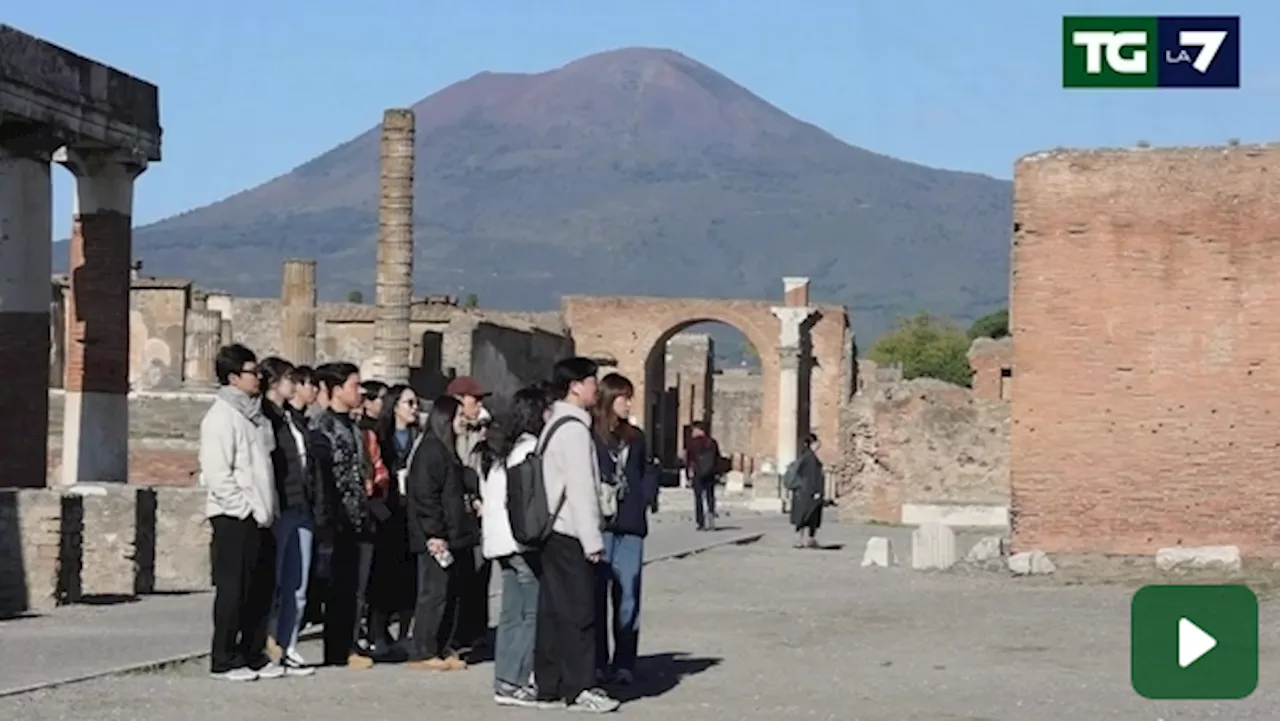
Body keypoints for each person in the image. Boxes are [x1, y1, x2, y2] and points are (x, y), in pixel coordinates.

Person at [534, 357, 620, 712]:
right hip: (570, 531)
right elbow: (582, 489)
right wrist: (593, 541)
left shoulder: (553, 424)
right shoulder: (572, 430)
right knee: (581, 611)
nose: (595, 389)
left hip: (552, 531)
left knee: (553, 610)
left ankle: (549, 685)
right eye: (591, 381)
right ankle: (581, 685)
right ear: (575, 386)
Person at [201, 343, 283, 681]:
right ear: (234, 377)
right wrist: (242, 509)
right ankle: (223, 656)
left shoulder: (255, 416)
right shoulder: (221, 417)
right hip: (235, 516)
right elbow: (218, 471)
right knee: (234, 589)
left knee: (260, 587)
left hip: (262, 514)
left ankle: (253, 652)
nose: (259, 378)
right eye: (253, 372)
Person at [482, 385, 553, 706]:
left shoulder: (503, 451)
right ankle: (517, 681)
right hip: (521, 541)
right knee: (528, 614)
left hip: (499, 542)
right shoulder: (531, 451)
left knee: (511, 615)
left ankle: (504, 679)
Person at [591, 373, 660, 687]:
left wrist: (645, 495)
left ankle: (624, 662)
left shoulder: (636, 437)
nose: (629, 403)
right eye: (624, 397)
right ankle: (597, 661)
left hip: (631, 525)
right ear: (609, 399)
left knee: (628, 595)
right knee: (596, 596)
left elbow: (648, 468)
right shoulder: (591, 436)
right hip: (601, 525)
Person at [405, 394, 480, 672]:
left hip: (454, 531)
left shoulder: (447, 450)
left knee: (450, 592)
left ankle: (440, 644)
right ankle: (423, 649)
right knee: (433, 593)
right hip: (435, 536)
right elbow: (426, 496)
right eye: (459, 416)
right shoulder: (430, 450)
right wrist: (434, 532)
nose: (463, 421)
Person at [310, 362, 377, 669]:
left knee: (355, 586)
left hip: (358, 514)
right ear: (336, 390)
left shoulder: (353, 426)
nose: (360, 391)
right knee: (338, 585)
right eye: (354, 385)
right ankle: (338, 648)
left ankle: (349, 644)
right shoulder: (323, 426)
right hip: (337, 517)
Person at [259, 357, 322, 676]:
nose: (293, 384)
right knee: (275, 582)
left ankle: (289, 644)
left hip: (302, 505)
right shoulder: (265, 415)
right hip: (281, 505)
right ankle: (268, 646)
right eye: (288, 379)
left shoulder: (291, 419)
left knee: (297, 583)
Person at [367, 384, 421, 657]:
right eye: (409, 403)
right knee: (384, 576)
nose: (414, 408)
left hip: (411, 514)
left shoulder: (419, 438)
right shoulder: (380, 436)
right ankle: (378, 632)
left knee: (409, 576)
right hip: (387, 514)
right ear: (395, 406)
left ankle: (405, 633)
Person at [447, 375, 493, 652]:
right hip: (458, 507)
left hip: (479, 508)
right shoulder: (448, 430)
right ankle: (458, 631)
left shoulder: (483, 428)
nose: (479, 404)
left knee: (480, 570)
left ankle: (476, 629)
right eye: (474, 399)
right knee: (461, 573)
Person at [786, 433, 826, 549]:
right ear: (813, 443)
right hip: (809, 491)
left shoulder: (804, 456)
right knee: (810, 516)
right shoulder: (811, 458)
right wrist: (817, 491)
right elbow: (813, 476)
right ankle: (807, 539)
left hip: (801, 491)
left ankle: (801, 539)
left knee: (802, 516)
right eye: (817, 442)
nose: (819, 444)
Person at [684, 421, 722, 531]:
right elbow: (717, 459)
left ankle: (700, 522)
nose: (692, 432)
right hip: (710, 473)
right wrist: (718, 473)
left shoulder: (692, 443)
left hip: (698, 473)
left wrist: (688, 475)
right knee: (710, 496)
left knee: (698, 498)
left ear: (698, 430)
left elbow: (688, 460)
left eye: (694, 430)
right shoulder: (712, 442)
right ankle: (711, 515)